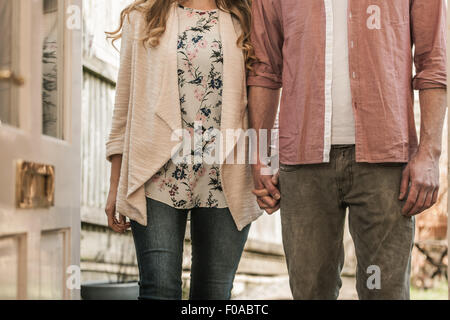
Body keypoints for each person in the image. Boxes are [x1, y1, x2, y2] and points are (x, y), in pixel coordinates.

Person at [248, 0, 447, 300]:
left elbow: (434, 59)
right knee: (310, 294)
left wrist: (430, 154)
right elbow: (265, 68)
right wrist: (259, 155)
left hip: (387, 163)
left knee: (384, 293)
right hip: (303, 163)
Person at [105, 0, 261, 300]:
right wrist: (116, 186)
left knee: (214, 293)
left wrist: (266, 163)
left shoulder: (247, 18)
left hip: (224, 175)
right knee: (158, 290)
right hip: (156, 175)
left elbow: (264, 96)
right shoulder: (143, 18)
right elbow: (124, 109)